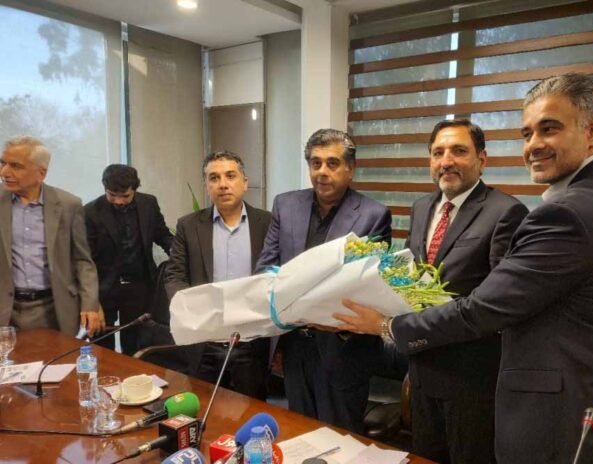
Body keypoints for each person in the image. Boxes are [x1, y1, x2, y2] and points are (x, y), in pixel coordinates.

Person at [335, 73, 593, 463]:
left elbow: (484, 308)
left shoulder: (567, 212)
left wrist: (386, 326)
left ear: (592, 131)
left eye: (549, 129)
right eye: (527, 133)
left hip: (579, 407)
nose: (534, 145)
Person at [403, 119, 527, 463]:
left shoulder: (506, 211)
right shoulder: (421, 208)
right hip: (422, 367)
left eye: (459, 151)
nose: (447, 161)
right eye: (438, 153)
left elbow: (498, 304)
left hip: (471, 379)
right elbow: (412, 277)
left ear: (482, 159)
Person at [255, 128, 391, 433]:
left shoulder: (374, 215)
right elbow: (266, 267)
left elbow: (368, 286)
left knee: (340, 437)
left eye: (332, 163)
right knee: (300, 431)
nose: (322, 172)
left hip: (341, 349)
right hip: (293, 345)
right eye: (315, 163)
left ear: (350, 168)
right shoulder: (285, 205)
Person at [165, 151, 271, 400]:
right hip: (205, 343)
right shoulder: (188, 226)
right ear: (206, 186)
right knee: (205, 411)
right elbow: (174, 276)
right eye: (214, 178)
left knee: (252, 411)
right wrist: (191, 313)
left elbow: (278, 275)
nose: (223, 184)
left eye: (230, 176)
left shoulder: (267, 223)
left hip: (252, 343)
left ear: (244, 183)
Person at [0, 136, 103, 337]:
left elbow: (83, 261)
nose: (4, 172)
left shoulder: (68, 205)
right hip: (6, 309)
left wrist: (90, 304)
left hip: (54, 309)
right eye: (3, 163)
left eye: (16, 166)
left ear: (41, 173)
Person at [84, 164, 173, 355]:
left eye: (125, 196)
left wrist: (178, 253)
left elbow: (162, 234)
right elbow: (85, 260)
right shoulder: (90, 212)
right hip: (104, 288)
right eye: (112, 195)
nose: (119, 201)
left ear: (135, 189)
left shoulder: (148, 204)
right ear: (104, 188)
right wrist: (91, 302)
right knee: (101, 345)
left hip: (139, 285)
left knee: (136, 343)